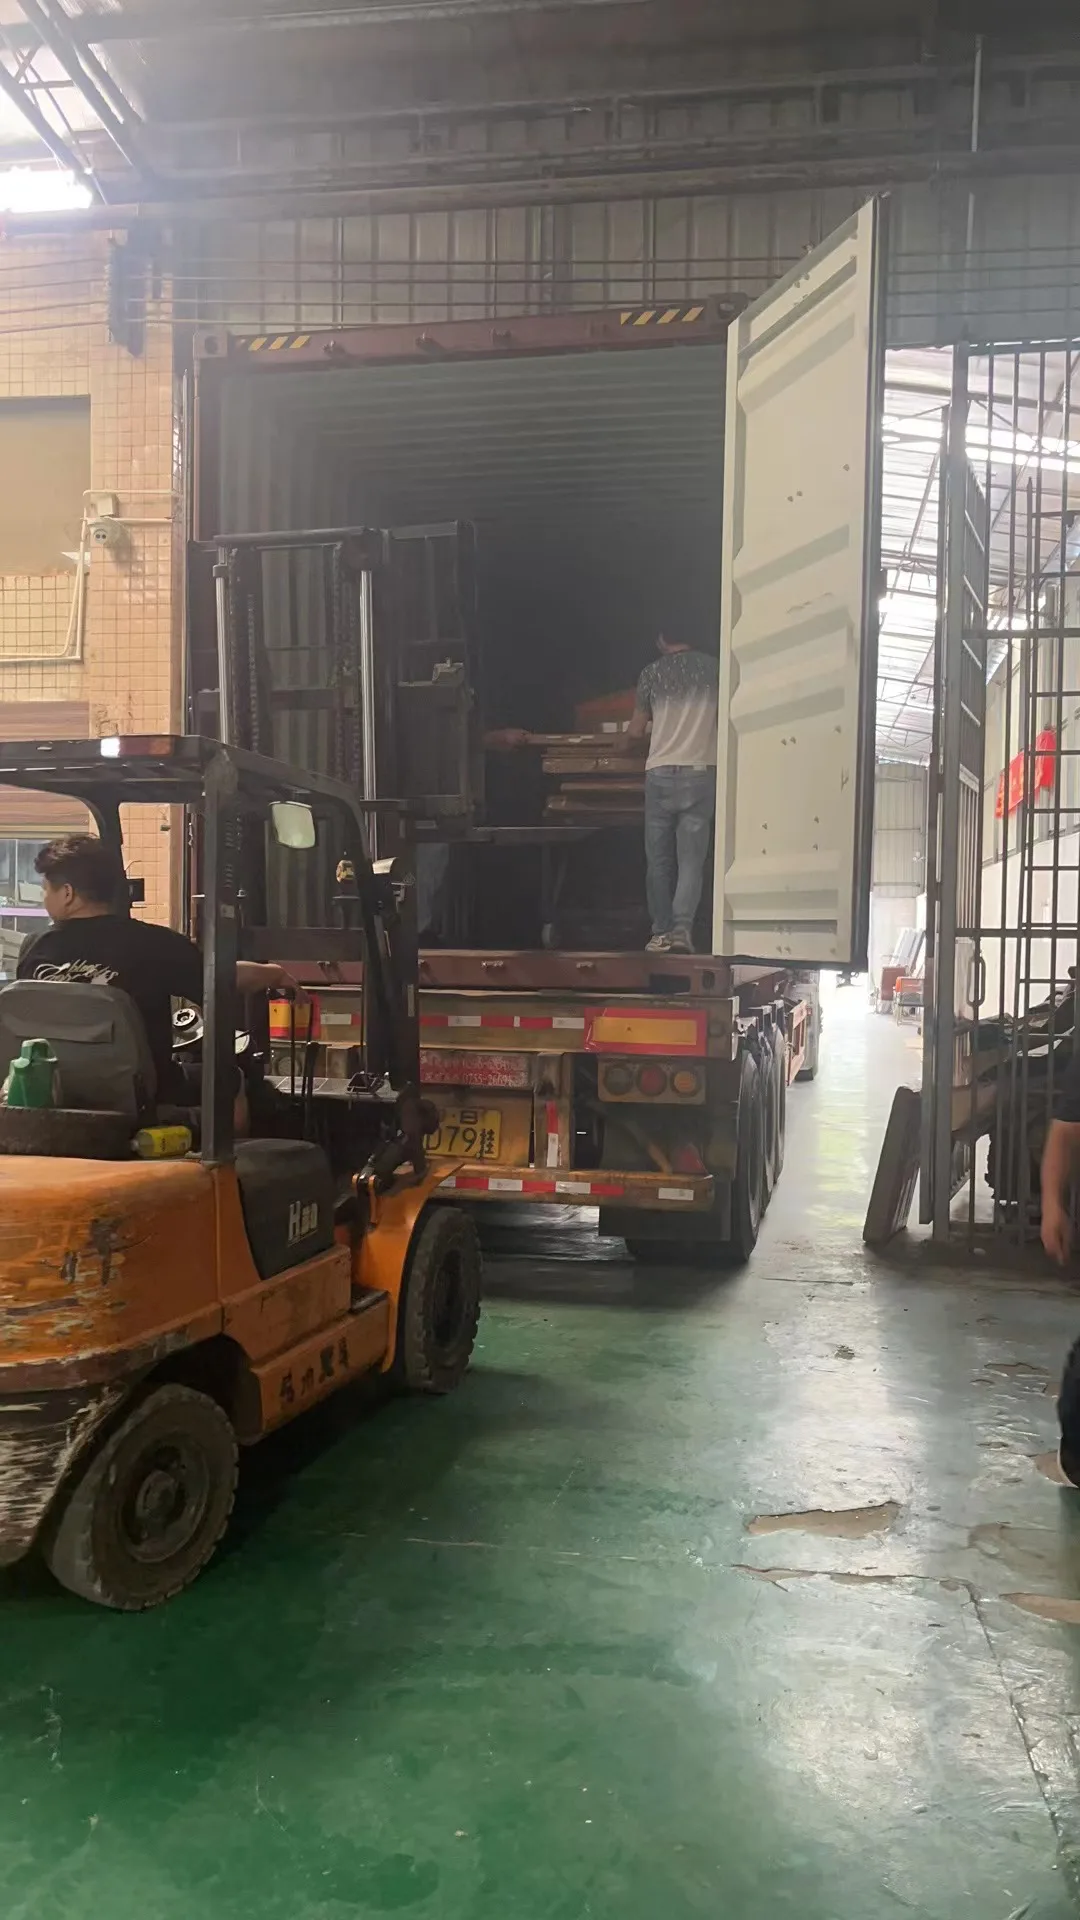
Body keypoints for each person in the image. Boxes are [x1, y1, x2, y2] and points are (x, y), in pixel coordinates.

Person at [16, 835, 300, 1103]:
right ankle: (231, 1142)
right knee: (231, 1078)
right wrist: (272, 974)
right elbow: (221, 977)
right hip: (142, 1093)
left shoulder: (34, 947)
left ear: (67, 893)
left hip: (51, 1086)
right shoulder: (156, 944)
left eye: (45, 889)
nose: (44, 898)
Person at [628, 630, 719, 955]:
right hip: (700, 771)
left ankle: (660, 933)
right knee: (691, 860)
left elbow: (636, 731)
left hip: (660, 772)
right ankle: (682, 932)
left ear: (662, 640)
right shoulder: (716, 669)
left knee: (658, 861)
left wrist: (620, 744)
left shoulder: (651, 673)